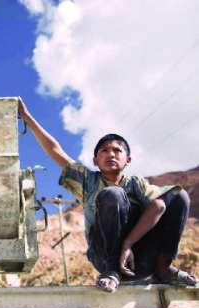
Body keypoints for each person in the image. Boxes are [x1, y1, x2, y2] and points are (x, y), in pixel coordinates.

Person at [18, 97, 198, 293]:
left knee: (179, 197)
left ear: (127, 159)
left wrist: (129, 243)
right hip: (105, 258)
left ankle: (163, 268)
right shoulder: (88, 181)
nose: (111, 154)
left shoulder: (135, 182)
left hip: (140, 259)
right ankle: (111, 271)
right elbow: (54, 150)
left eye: (117, 150)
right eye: (104, 151)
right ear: (95, 160)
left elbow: (160, 206)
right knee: (113, 194)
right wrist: (27, 117)